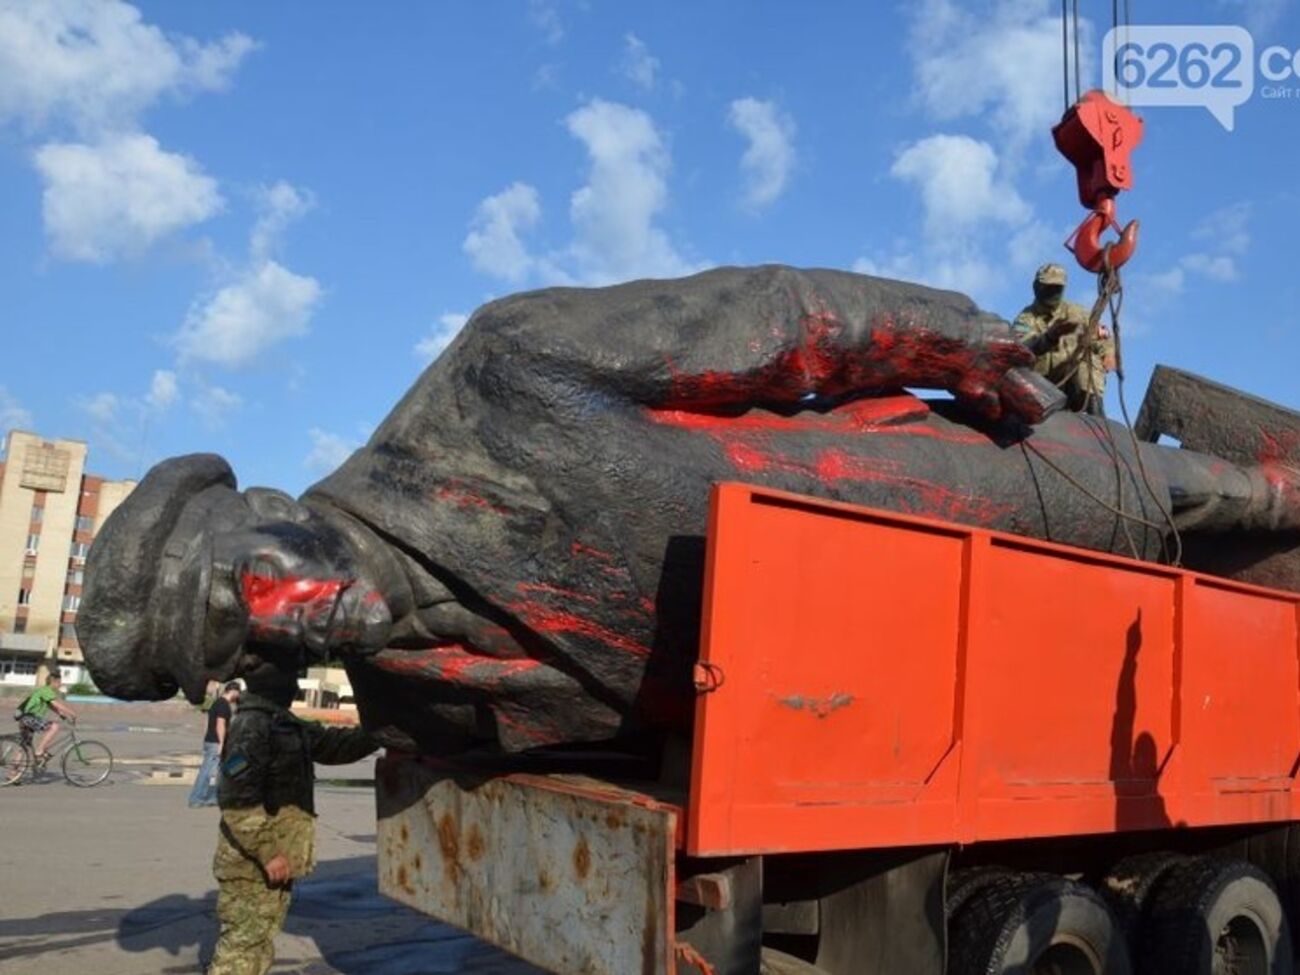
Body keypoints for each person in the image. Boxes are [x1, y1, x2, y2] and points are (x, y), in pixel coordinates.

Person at [77, 266, 1300, 759]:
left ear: (268, 513)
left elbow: (782, 323)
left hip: (938, 499)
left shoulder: (500, 377)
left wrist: (969, 343)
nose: (285, 626)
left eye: (250, 590)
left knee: (1156, 494)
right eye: (246, 646)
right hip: (883, 695)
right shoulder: (413, 695)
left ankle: (1279, 492)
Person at [208, 656, 377, 975]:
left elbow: (333, 746)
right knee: (241, 950)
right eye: (290, 680)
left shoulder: (283, 722)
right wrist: (270, 854)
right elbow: (236, 801)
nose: (296, 686)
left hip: (272, 861)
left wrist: (380, 731)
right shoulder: (252, 725)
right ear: (272, 683)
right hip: (251, 864)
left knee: (259, 943)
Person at [1012, 263, 1115, 415]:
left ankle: (1096, 415)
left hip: (1075, 385)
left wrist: (1109, 353)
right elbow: (1021, 347)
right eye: (1048, 287)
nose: (1052, 292)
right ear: (1037, 287)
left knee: (1088, 361)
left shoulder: (1077, 313)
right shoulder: (1026, 319)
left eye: (1057, 288)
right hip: (1045, 385)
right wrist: (1049, 337)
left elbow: (1102, 336)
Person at [188, 680, 240, 808]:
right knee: (207, 772)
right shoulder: (223, 704)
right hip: (216, 742)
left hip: (210, 741)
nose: (238, 697)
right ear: (233, 691)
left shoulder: (216, 703)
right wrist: (221, 744)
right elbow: (220, 724)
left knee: (225, 769)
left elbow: (208, 723)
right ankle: (197, 798)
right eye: (238, 694)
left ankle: (214, 797)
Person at [16, 671, 77, 767]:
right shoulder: (47, 690)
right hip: (31, 718)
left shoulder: (42, 690)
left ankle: (13, 774)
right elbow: (55, 703)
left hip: (24, 718)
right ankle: (40, 750)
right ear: (54, 682)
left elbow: (51, 706)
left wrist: (62, 715)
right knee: (54, 727)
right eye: (59, 682)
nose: (60, 684)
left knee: (24, 747)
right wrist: (71, 712)